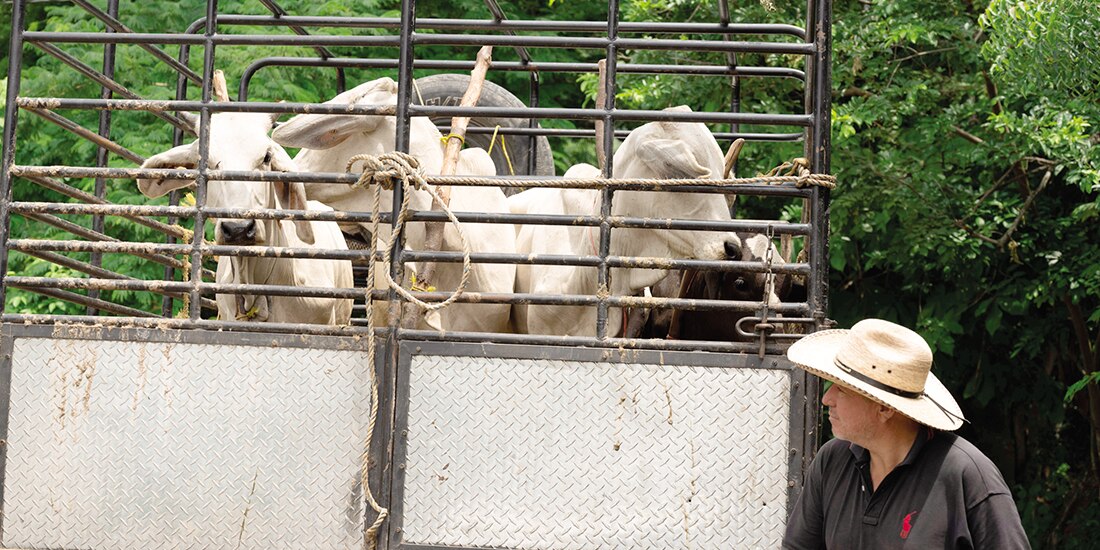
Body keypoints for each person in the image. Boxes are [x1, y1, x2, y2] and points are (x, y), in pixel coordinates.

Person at [783, 318, 1031, 549]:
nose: (827, 399)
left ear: (884, 407)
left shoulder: (967, 475)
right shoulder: (832, 461)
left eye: (842, 389)